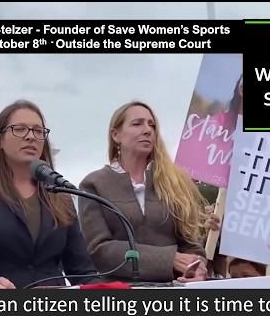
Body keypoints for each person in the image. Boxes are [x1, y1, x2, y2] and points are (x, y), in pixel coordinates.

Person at [0, 100, 99, 289]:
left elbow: (82, 272)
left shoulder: (60, 195)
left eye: (38, 131)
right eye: (20, 129)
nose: (31, 137)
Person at [79, 101, 208, 283]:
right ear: (116, 135)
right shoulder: (94, 184)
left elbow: (191, 245)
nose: (147, 130)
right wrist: (169, 259)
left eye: (151, 125)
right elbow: (100, 250)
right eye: (137, 124)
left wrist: (197, 268)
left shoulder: (175, 182)